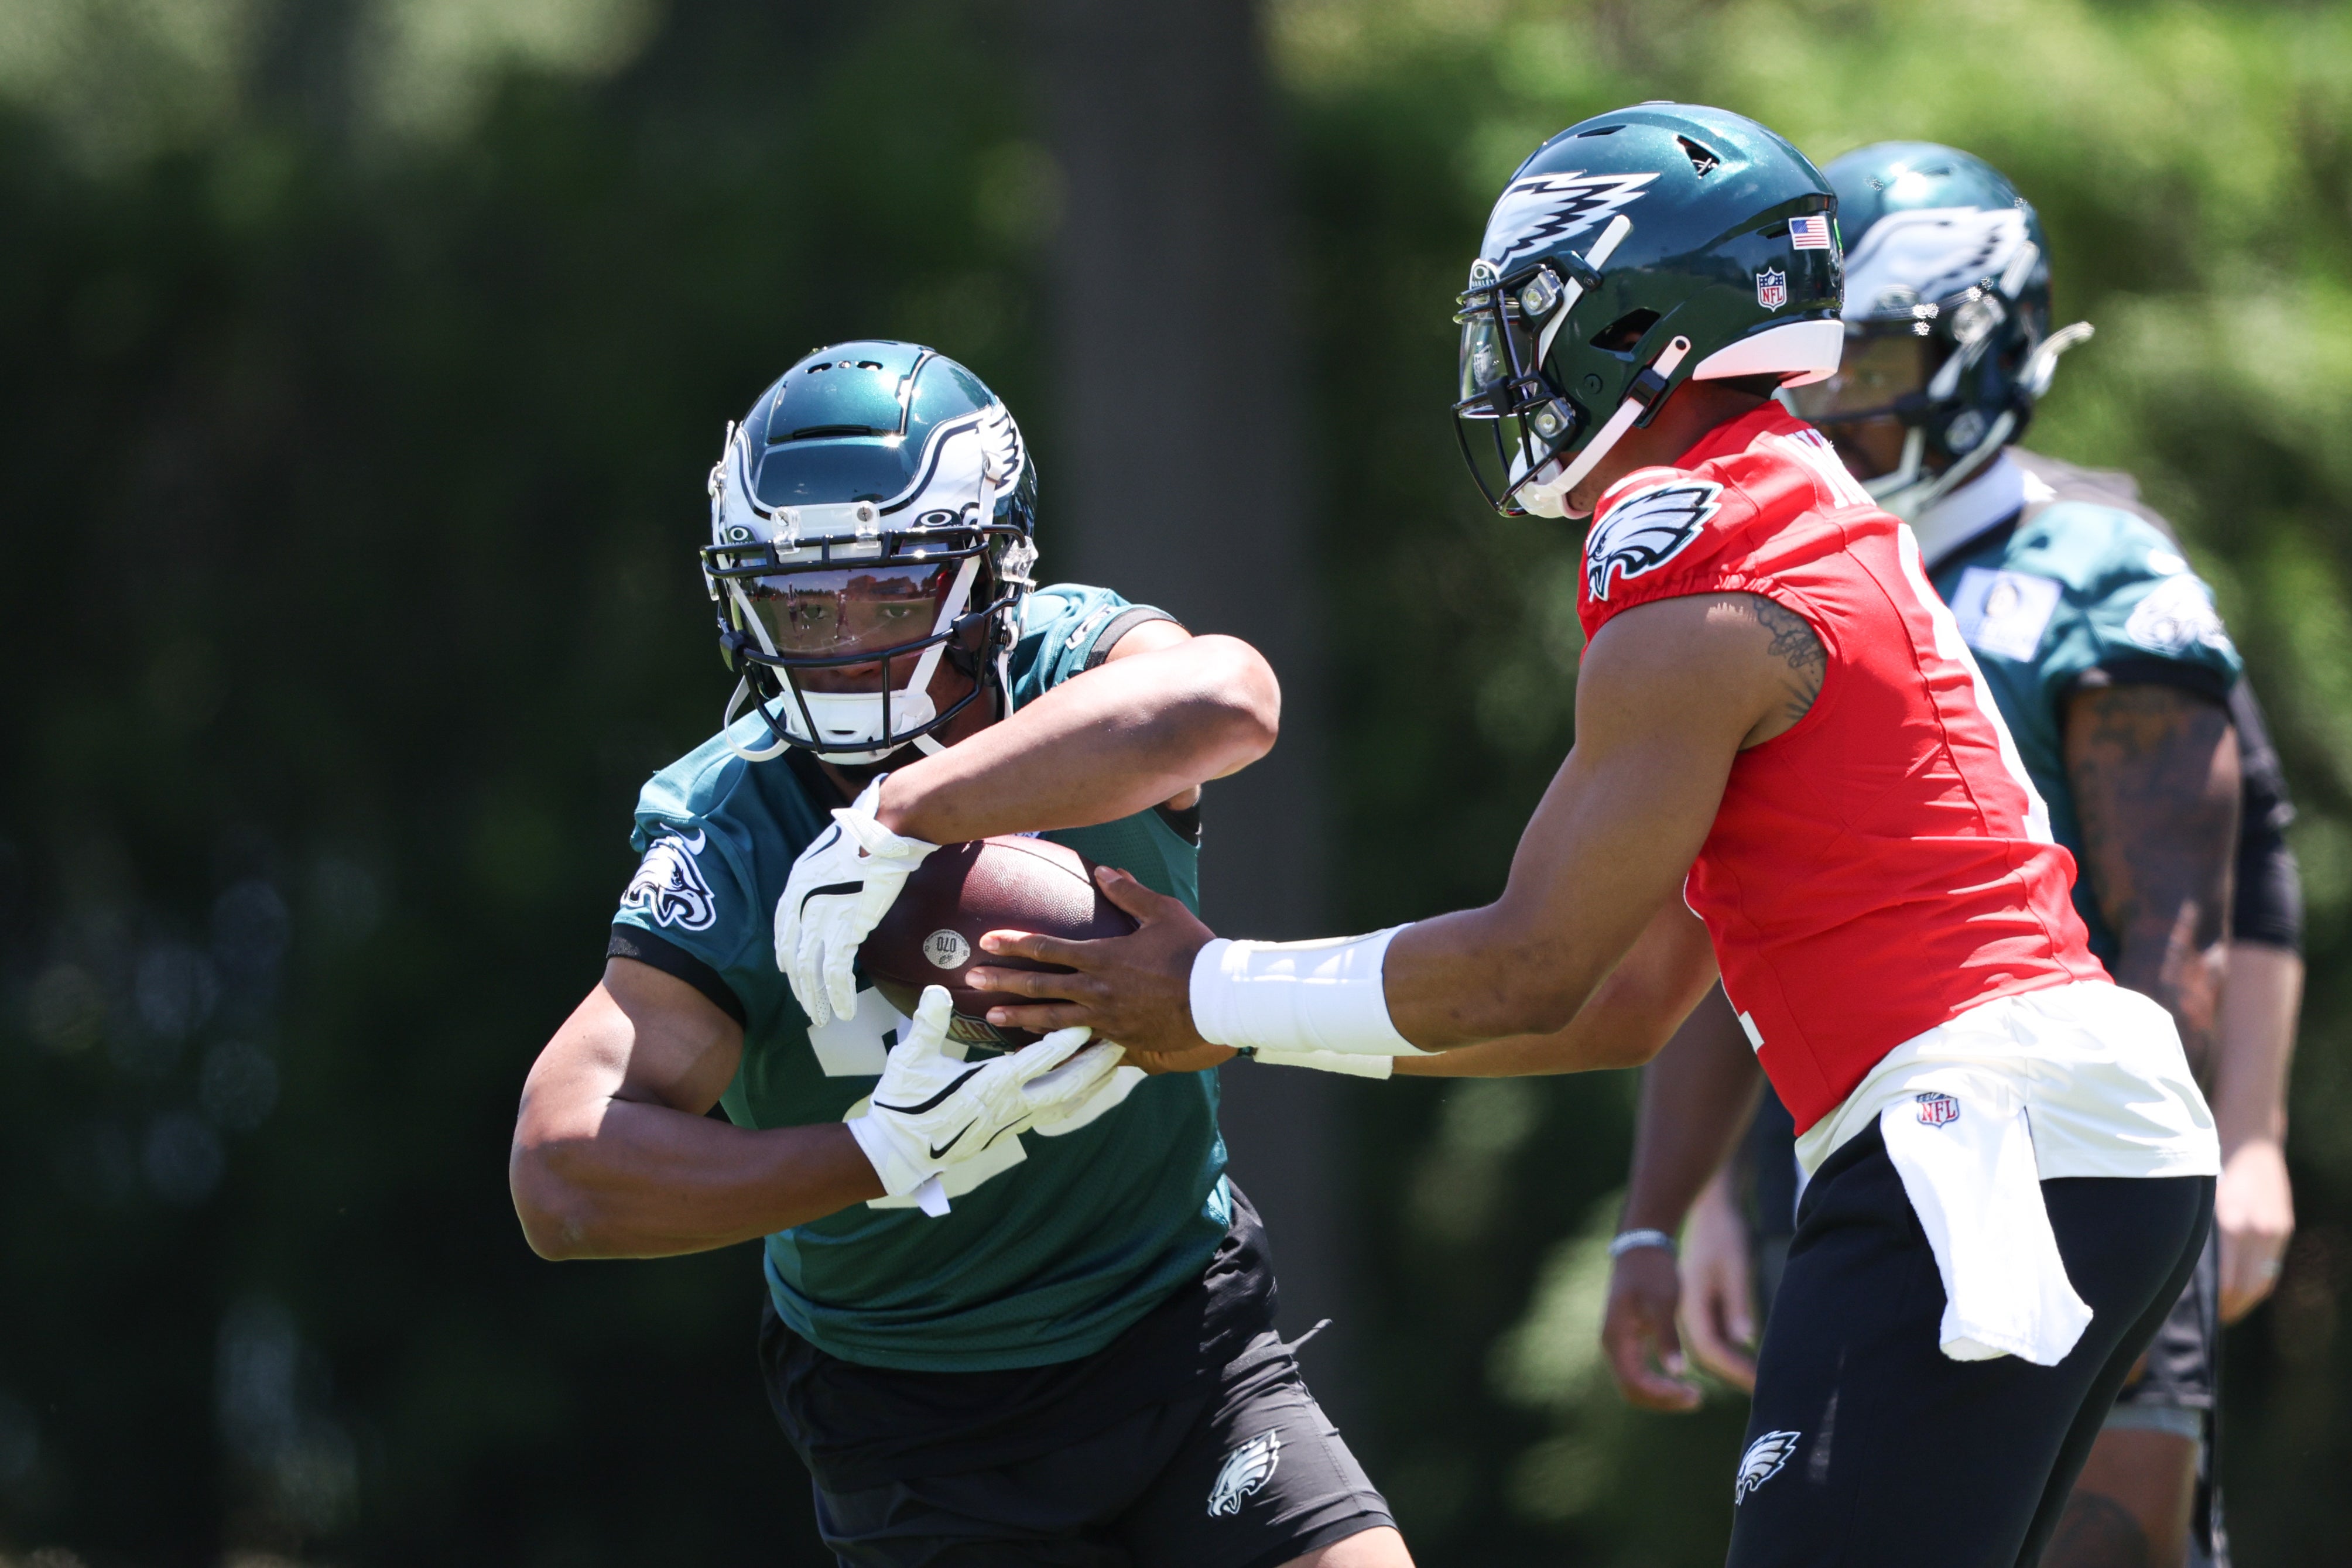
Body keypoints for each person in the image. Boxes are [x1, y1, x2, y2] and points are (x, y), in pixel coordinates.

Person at [963, 105, 2221, 1568]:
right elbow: (1616, 1000)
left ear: (1642, 318)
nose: (1508, 362)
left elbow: (1528, 965)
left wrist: (1208, 990)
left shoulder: (1696, 547)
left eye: (1534, 314)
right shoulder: (1779, 507)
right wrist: (1226, 1020)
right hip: (2063, 1128)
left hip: (1968, 1124)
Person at [507, 342, 1410, 1568]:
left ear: (990, 575)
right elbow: (563, 1174)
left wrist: (902, 813)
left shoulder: (1061, 665)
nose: (845, 645)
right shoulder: (734, 820)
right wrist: (877, 1152)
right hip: (914, 1417)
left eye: (890, 596)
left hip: (1179, 1328)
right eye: (803, 604)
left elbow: (1230, 700)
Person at [1595, 143, 2302, 1568]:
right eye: (1817, 369)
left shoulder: (2095, 567)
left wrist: (2246, 1137)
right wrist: (1676, 1207)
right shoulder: (1775, 571)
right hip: (1866, 1166)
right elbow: (1735, 913)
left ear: (1982, 345)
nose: (1834, 405)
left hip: (2073, 1150)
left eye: (1874, 363)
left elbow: (2204, 905)